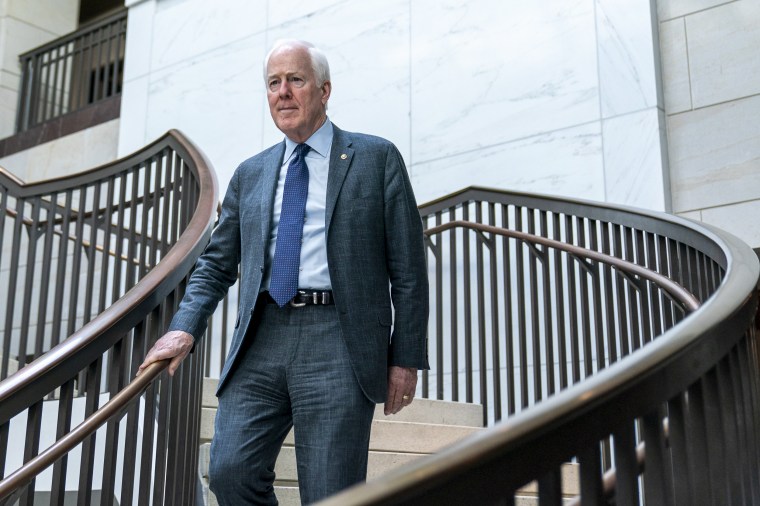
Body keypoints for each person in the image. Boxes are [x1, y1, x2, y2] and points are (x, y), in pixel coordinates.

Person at [137, 39, 429, 505]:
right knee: (230, 471)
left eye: (296, 80)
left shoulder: (375, 158)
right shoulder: (250, 173)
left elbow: (409, 268)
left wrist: (405, 357)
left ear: (324, 89)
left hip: (339, 338)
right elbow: (216, 264)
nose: (283, 92)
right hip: (261, 336)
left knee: (332, 492)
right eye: (274, 83)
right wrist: (184, 327)